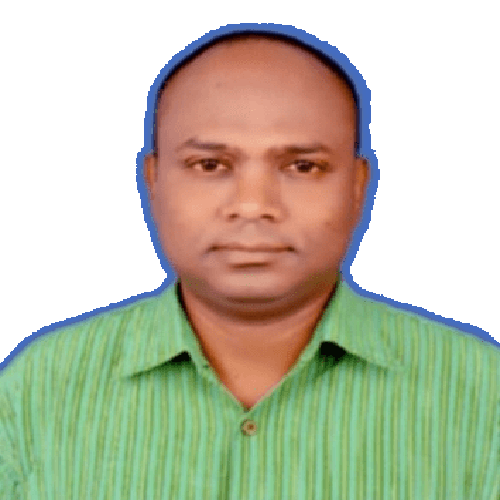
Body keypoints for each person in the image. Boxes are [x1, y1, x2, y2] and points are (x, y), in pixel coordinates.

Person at [0, 26, 498, 499]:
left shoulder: (480, 396)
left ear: (357, 186)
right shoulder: (40, 389)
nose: (253, 205)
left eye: (302, 166)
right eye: (210, 165)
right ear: (153, 180)